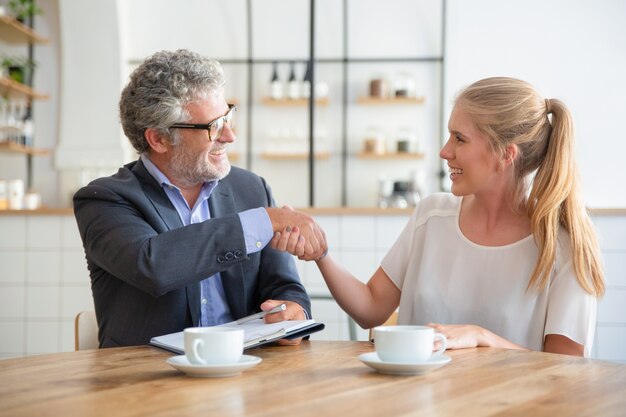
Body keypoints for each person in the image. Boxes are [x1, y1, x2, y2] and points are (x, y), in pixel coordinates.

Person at [274, 77, 605, 357]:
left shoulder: (565, 244)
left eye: (459, 138)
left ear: (505, 155)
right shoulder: (431, 216)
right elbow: (371, 307)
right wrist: (321, 254)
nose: (445, 151)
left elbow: (565, 371)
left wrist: (482, 338)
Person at [73, 49, 327, 348]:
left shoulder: (251, 188)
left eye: (227, 118)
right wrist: (264, 221)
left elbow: (284, 286)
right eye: (213, 127)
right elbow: (154, 265)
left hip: (245, 374)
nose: (229, 136)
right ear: (159, 138)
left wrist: (291, 312)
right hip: (146, 382)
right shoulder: (104, 199)